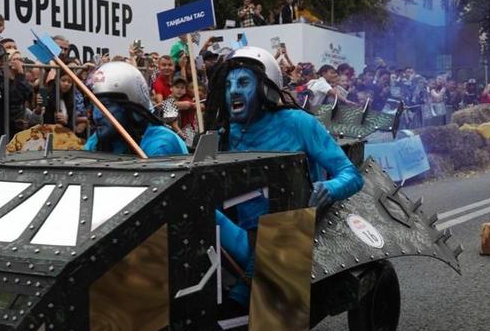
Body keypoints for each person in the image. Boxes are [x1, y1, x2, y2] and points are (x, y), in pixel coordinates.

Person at [205, 46, 364, 313]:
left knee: (280, 228)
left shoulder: (298, 122)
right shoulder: (221, 134)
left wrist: (328, 188)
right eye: (229, 84)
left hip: (295, 229)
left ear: (265, 87)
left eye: (243, 82)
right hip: (247, 238)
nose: (233, 90)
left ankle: (245, 301)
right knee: (195, 212)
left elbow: (351, 175)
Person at [83, 61, 187, 157]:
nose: (97, 115)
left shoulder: (160, 144)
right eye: (94, 106)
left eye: (105, 106)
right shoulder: (96, 141)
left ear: (131, 108)